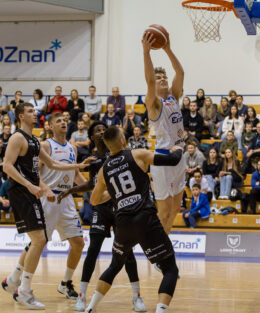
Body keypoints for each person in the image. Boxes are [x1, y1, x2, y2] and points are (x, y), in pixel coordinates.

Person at [0, 102, 89, 309]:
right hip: (28, 192)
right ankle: (22, 289)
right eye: (30, 111)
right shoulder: (17, 137)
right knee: (39, 240)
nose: (35, 113)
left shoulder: (34, 141)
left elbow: (54, 164)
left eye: (34, 110)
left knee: (41, 240)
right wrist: (35, 186)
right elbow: (7, 166)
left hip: (49, 196)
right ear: (21, 116)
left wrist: (80, 166)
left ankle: (18, 284)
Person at [85, 125, 182, 313]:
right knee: (170, 270)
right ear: (122, 141)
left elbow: (95, 199)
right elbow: (172, 160)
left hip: (123, 223)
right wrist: (178, 148)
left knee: (115, 265)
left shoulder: (103, 170)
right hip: (145, 219)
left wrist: (115, 195)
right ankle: (160, 310)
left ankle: (90, 308)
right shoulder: (137, 154)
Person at [56, 121, 146, 312]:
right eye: (97, 130)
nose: (102, 131)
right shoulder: (93, 160)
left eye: (104, 129)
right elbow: (92, 184)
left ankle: (137, 297)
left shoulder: (120, 154)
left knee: (127, 253)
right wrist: (71, 189)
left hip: (121, 209)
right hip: (101, 210)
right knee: (93, 250)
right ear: (92, 137)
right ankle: (81, 296)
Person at [37, 113, 93, 299]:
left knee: (78, 243)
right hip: (49, 198)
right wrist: (45, 189)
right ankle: (19, 279)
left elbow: (76, 174)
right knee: (39, 242)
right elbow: (34, 173)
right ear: (50, 126)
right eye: (58, 121)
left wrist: (90, 188)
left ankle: (66, 282)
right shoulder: (45, 145)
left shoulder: (72, 147)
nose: (63, 123)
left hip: (66, 199)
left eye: (64, 121)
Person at [142, 31, 186, 234]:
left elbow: (181, 72)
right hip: (162, 157)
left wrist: (167, 48)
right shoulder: (154, 103)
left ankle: (164, 244)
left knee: (176, 209)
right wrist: (146, 52)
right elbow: (150, 82)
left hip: (180, 154)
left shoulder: (174, 97)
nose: (162, 79)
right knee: (164, 211)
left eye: (164, 76)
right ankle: (156, 248)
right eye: (159, 77)